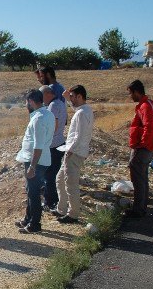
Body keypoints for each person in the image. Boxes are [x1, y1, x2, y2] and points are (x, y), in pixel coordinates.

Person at [52, 85, 94, 223]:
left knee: (71, 184)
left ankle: (73, 214)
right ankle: (61, 209)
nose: (71, 100)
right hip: (73, 151)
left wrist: (70, 150)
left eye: (73, 97)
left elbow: (79, 136)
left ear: (80, 96)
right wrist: (67, 98)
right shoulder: (84, 110)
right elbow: (76, 109)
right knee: (60, 179)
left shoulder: (82, 113)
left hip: (74, 152)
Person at [15, 89, 55, 233]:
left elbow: (38, 145)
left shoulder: (38, 118)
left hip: (36, 161)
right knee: (30, 190)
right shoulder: (48, 114)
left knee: (33, 193)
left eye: (27, 102)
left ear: (31, 101)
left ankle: (35, 224)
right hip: (39, 159)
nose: (26, 105)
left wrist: (32, 166)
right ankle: (28, 218)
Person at [126, 79, 153, 218]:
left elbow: (149, 126)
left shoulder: (145, 106)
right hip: (150, 147)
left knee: (138, 178)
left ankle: (138, 209)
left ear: (136, 92)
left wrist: (143, 144)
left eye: (131, 93)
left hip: (143, 148)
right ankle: (142, 206)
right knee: (143, 177)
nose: (130, 97)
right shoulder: (152, 104)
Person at [40, 85, 67, 211]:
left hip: (53, 144)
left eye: (42, 96)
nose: (42, 100)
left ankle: (50, 201)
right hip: (59, 142)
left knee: (49, 175)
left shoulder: (53, 106)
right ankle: (55, 200)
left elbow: (54, 125)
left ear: (47, 94)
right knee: (54, 173)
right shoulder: (60, 103)